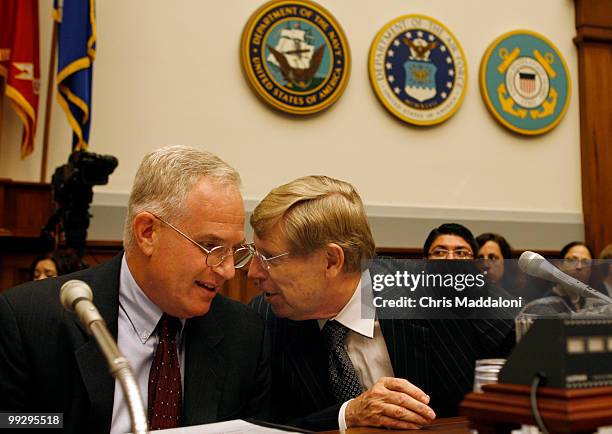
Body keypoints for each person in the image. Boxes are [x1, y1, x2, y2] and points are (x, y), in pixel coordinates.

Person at [0, 146, 270, 433]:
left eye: (235, 251)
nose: (228, 270)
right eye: (211, 247)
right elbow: (9, 422)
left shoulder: (245, 335)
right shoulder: (29, 320)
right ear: (147, 233)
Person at [247, 178, 514, 431]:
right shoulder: (263, 320)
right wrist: (346, 415)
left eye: (270, 258)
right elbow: (261, 427)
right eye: (254, 254)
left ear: (330, 260)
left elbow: (530, 350)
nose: (253, 273)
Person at [546, 241, 594, 311]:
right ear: (559, 265)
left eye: (585, 262)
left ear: (591, 270)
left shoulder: (594, 305)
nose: (579, 267)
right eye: (572, 260)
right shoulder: (545, 303)